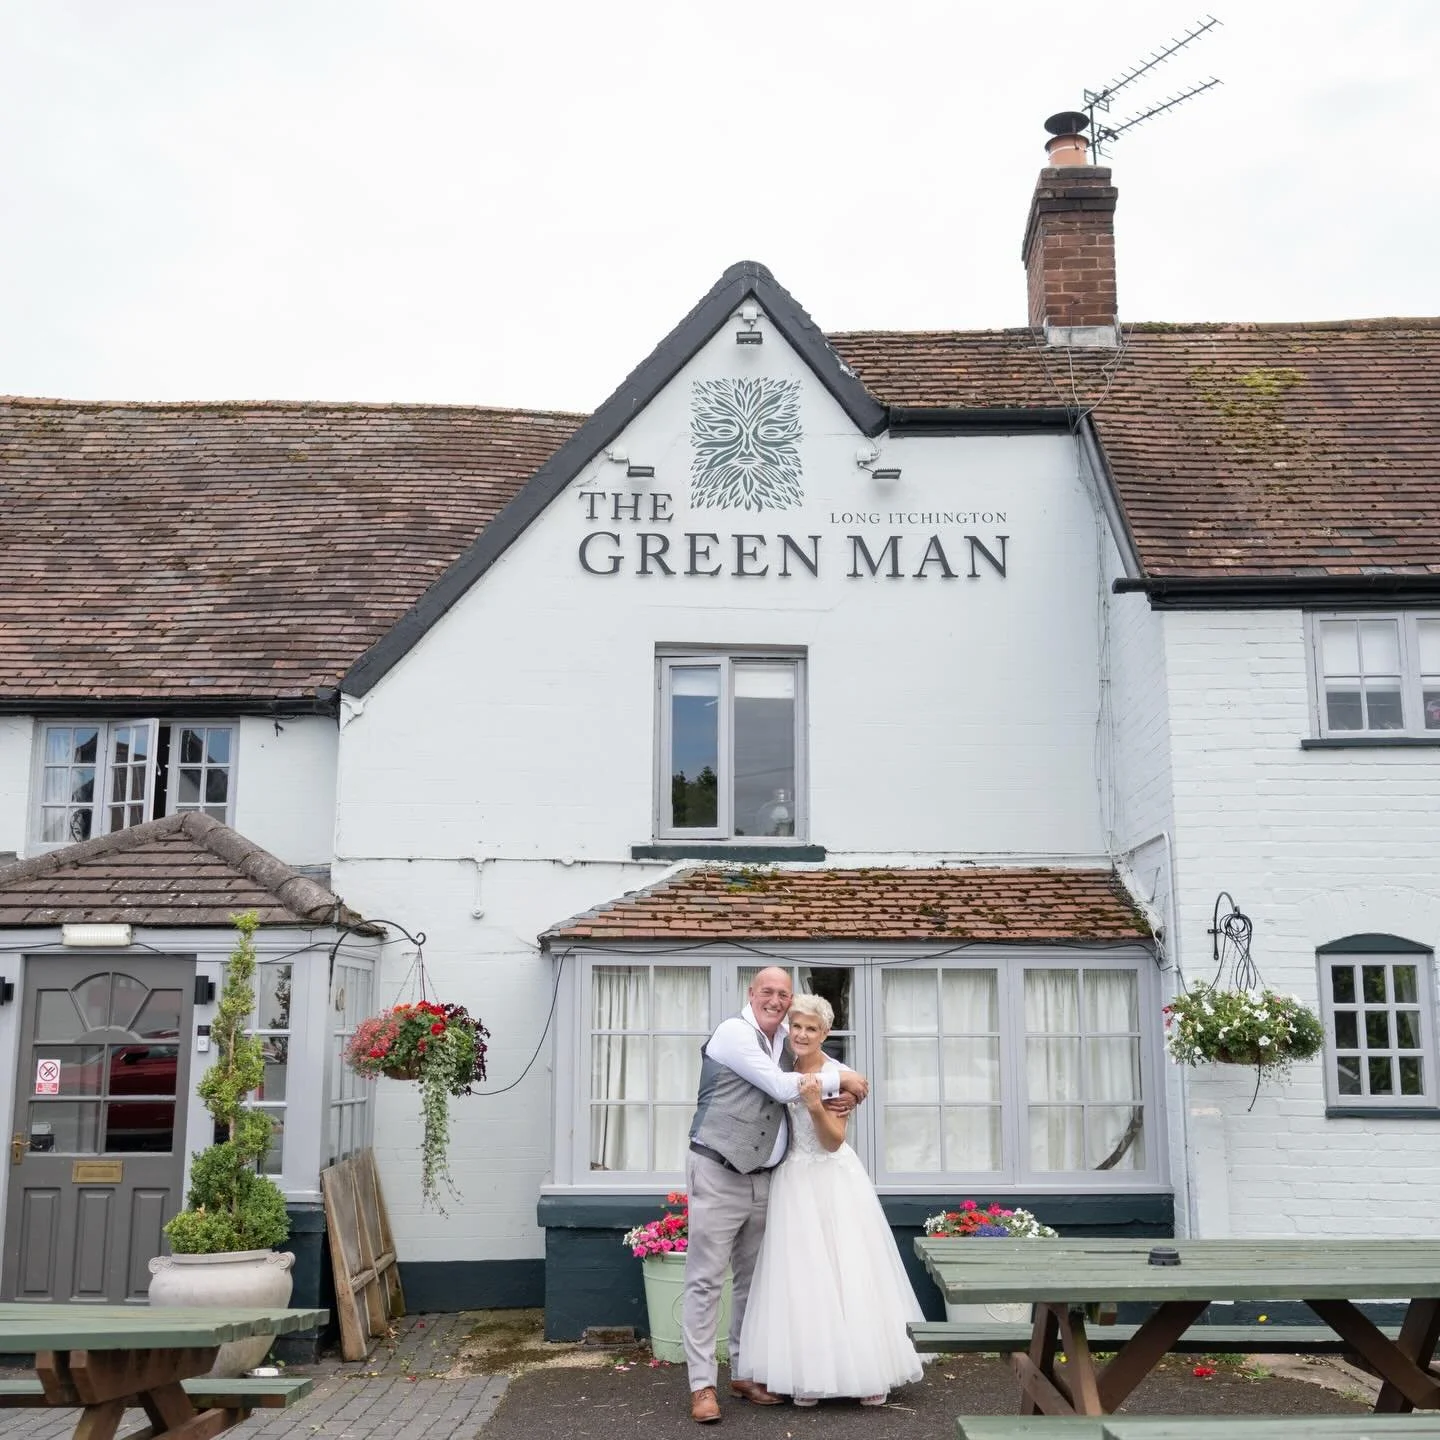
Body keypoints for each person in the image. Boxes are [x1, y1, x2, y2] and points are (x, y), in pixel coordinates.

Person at [683, 967, 869, 1424]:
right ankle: (702, 1385)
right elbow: (782, 1086)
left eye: (783, 994)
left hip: (769, 1177)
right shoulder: (734, 1033)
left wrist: (854, 1087)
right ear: (751, 993)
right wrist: (843, 1083)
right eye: (767, 991)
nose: (776, 1000)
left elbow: (818, 1055)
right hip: (720, 1169)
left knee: (753, 1279)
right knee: (706, 1280)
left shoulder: (786, 1037)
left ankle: (745, 1372)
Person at [735, 993, 927, 1408]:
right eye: (797, 1026)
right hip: (792, 1181)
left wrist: (816, 1106)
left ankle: (866, 1373)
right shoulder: (780, 1068)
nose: (802, 1034)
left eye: (812, 1028)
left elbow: (833, 1142)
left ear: (825, 1033)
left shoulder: (838, 1075)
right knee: (801, 1277)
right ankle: (809, 1373)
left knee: (848, 1271)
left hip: (832, 1179)